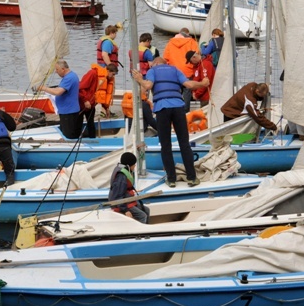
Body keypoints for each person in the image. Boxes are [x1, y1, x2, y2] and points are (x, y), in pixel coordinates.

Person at [131, 57, 210, 187]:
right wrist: (203, 83)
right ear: (166, 63)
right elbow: (189, 85)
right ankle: (192, 178)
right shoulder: (175, 69)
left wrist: (139, 79)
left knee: (166, 145)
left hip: (162, 108)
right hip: (178, 107)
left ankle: (171, 179)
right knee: (184, 143)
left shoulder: (153, 70)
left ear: (155, 64)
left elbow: (148, 85)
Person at [36, 59, 80, 139]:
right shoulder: (71, 76)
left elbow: (58, 92)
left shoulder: (69, 78)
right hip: (67, 111)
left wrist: (44, 88)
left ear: (63, 69)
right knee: (66, 133)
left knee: (69, 136)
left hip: (69, 112)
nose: (56, 72)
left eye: (57, 69)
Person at [162, 27, 199, 112]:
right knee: (187, 91)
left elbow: (165, 58)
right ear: (188, 34)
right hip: (187, 70)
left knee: (176, 91)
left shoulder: (170, 43)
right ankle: (185, 111)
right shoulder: (192, 42)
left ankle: (176, 110)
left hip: (174, 71)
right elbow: (196, 56)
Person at [78, 63, 118, 138]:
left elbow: (103, 95)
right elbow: (81, 88)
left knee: (91, 124)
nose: (113, 77)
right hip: (82, 104)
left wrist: (106, 108)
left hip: (92, 105)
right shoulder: (92, 73)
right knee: (78, 124)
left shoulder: (106, 79)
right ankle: (77, 138)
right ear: (108, 71)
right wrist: (85, 100)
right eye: (113, 74)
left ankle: (92, 140)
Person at [108, 152, 150, 224]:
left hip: (127, 200)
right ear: (129, 165)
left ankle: (147, 229)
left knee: (146, 210)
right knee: (142, 216)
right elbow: (118, 196)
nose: (135, 166)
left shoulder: (123, 170)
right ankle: (140, 233)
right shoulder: (121, 177)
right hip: (121, 204)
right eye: (134, 165)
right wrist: (126, 210)